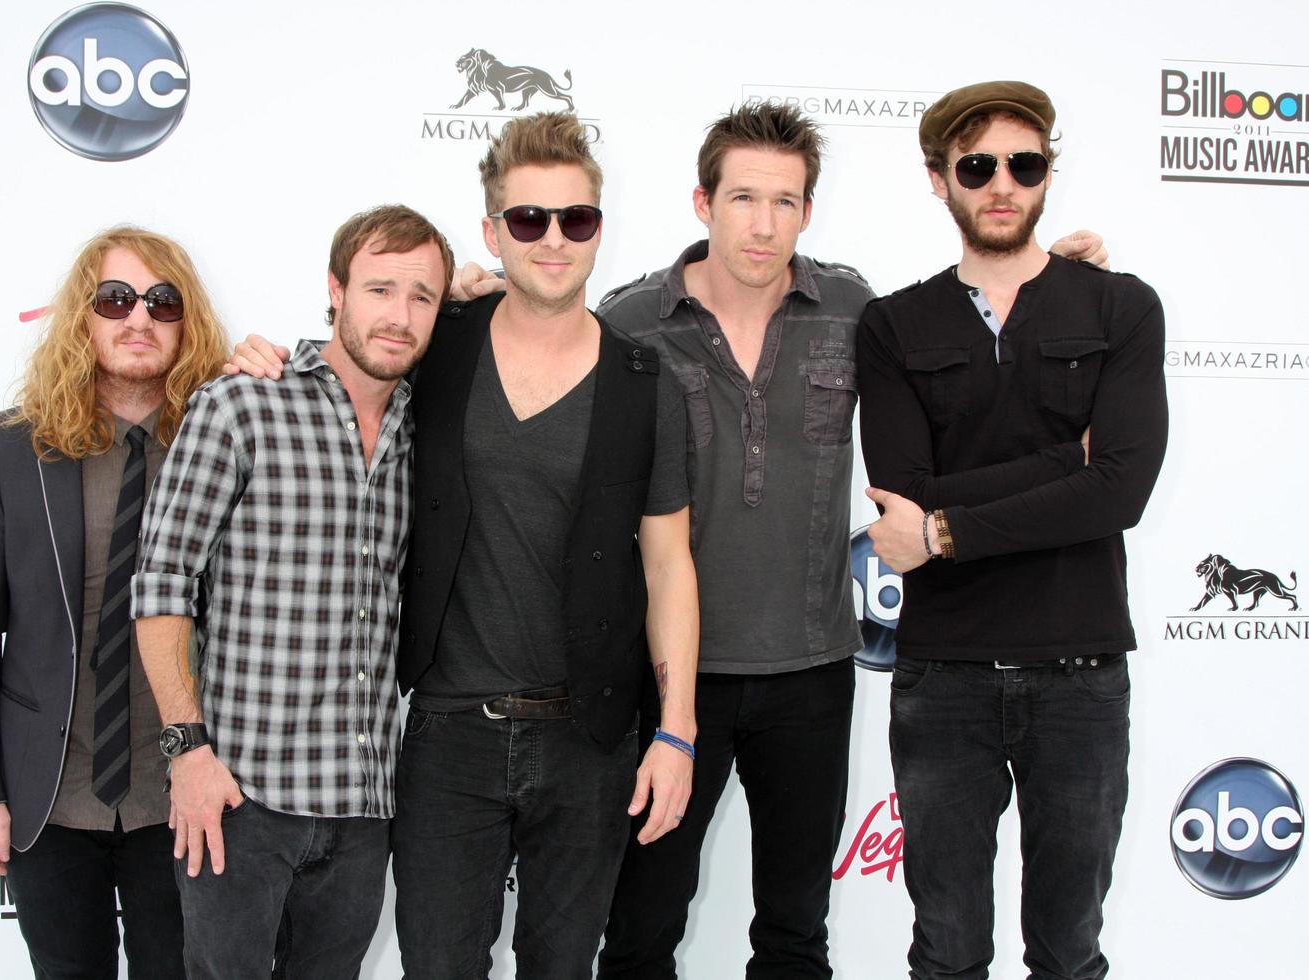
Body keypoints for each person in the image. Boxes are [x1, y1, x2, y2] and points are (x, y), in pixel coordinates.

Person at [453, 102, 1106, 980]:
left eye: (786, 202)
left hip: (813, 673)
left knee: (796, 931)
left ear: (808, 210)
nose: (763, 225)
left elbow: (965, 358)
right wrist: (473, 294)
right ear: (701, 202)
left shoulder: (852, 309)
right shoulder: (633, 317)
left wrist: (1045, 280)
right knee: (642, 928)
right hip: (667, 680)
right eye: (743, 199)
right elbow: (542, 329)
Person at [228, 113, 699, 979]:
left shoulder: (645, 382)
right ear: (492, 231)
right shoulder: (438, 347)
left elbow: (669, 565)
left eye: (576, 220)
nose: (553, 240)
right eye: (528, 220)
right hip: (449, 733)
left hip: (591, 738)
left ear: (599, 226)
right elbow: (350, 355)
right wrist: (264, 357)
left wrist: (676, 732)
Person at [856, 80, 1167, 980]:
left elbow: (1122, 489)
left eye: (1023, 164)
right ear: (939, 179)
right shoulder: (893, 325)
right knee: (947, 954)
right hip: (943, 681)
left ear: (1046, 177)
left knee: (1069, 955)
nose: (1002, 183)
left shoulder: (1119, 307)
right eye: (978, 165)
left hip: (1080, 677)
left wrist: (947, 530)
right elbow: (903, 493)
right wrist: (1068, 463)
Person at [130, 205, 454, 978]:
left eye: (423, 296)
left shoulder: (431, 429)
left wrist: (475, 280)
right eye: (380, 289)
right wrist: (188, 751)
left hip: (364, 809)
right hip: (241, 801)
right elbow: (162, 583)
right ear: (335, 291)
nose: (400, 316)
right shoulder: (242, 405)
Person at [0, 226, 230, 978]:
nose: (139, 318)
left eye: (162, 302)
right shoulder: (14, 447)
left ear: (186, 321)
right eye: (116, 298)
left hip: (185, 795)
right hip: (51, 797)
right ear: (83, 316)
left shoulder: (227, 440)